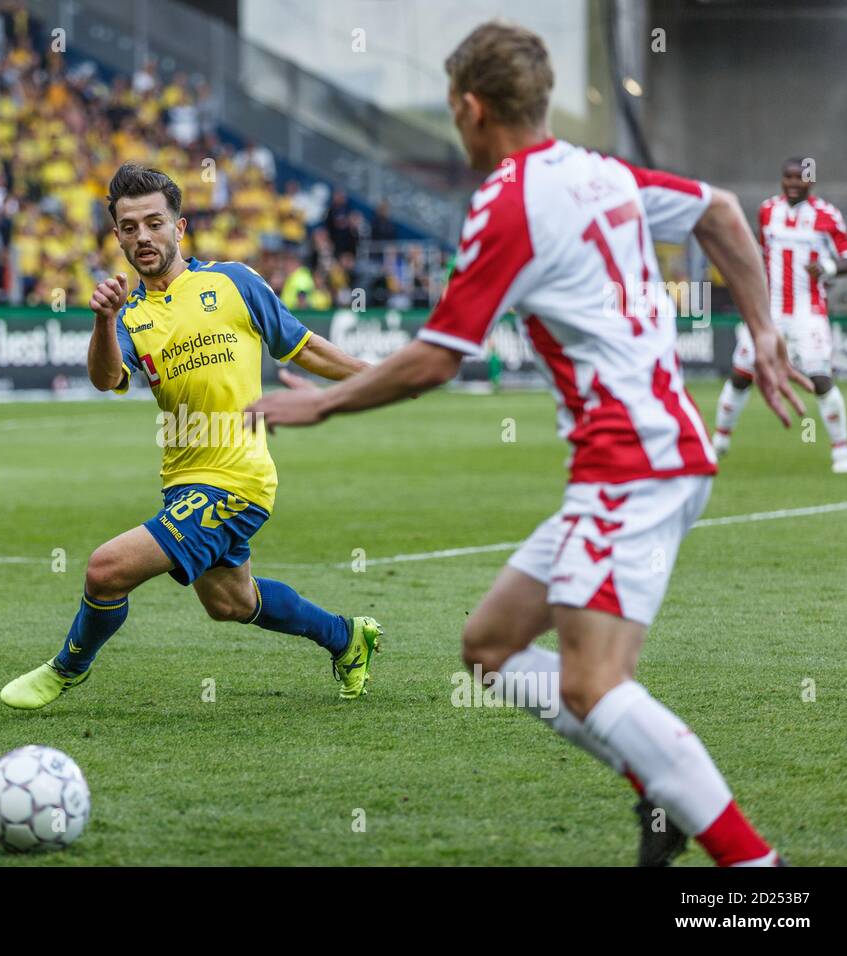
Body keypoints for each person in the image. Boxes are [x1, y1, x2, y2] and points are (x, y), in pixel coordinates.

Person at [248, 22, 806, 866]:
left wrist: (324, 405)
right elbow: (722, 212)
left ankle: (757, 875)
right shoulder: (600, 172)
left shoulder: (508, 203)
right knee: (491, 646)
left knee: (591, 683)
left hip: (633, 462)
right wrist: (761, 328)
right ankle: (659, 791)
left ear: (473, 109)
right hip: (647, 456)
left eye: (451, 109)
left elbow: (436, 358)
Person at [0, 162, 380, 710]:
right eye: (129, 227)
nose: (143, 237)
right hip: (183, 481)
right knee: (232, 602)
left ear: (179, 228)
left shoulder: (233, 283)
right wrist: (104, 321)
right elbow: (108, 379)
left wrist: (382, 378)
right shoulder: (130, 317)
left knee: (105, 570)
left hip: (238, 480)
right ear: (117, 236)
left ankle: (66, 670)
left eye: (154, 223)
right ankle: (348, 639)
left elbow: (307, 347)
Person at [713, 157, 847, 472]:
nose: (792, 184)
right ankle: (719, 440)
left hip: (809, 309)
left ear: (811, 182)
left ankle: (841, 452)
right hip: (769, 310)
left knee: (819, 378)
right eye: (788, 178)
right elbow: (759, 255)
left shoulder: (827, 216)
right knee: (741, 375)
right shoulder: (767, 211)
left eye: (799, 179)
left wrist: (827, 268)